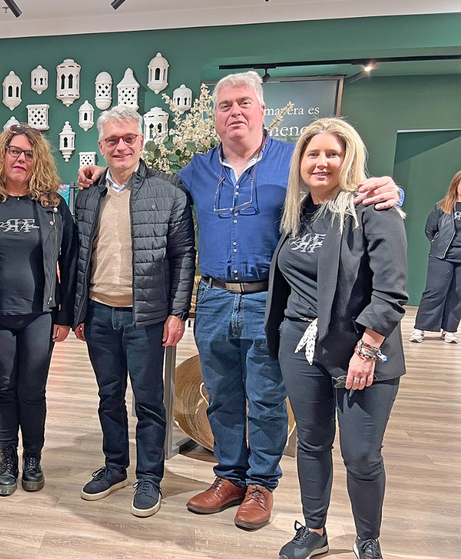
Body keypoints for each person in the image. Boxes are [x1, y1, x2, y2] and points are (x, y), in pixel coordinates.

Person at [81, 71, 402, 530]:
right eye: (225, 105)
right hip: (211, 299)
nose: (235, 112)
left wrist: (392, 191)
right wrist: (96, 175)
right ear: (214, 116)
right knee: (222, 396)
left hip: (269, 302)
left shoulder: (293, 162)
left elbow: (343, 188)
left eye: (244, 103)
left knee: (267, 398)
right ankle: (229, 476)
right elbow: (146, 188)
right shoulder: (196, 171)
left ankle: (261, 484)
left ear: (261, 110)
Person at [265, 118, 407, 559]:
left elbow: (391, 292)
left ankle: (368, 540)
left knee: (362, 454)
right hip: (299, 346)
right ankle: (315, 528)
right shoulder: (297, 214)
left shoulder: (372, 208)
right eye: (312, 153)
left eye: (332, 153)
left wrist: (367, 350)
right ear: (300, 164)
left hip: (358, 350)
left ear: (349, 160)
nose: (322, 162)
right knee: (310, 441)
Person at [73, 105, 196, 518]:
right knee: (108, 396)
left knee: (148, 400)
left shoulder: (170, 191)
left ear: (142, 141)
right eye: (112, 140)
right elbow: (77, 256)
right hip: (98, 314)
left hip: (146, 318)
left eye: (129, 138)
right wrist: (76, 312)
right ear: (101, 146)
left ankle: (149, 476)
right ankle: (114, 467)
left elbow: (184, 257)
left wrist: (178, 312)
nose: (121, 146)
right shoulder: (87, 194)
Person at [0, 124, 78, 496]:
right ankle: (7, 459)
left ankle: (32, 458)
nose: (21, 158)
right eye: (15, 151)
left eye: (29, 153)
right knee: (4, 388)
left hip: (40, 313)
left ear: (38, 160)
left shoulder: (52, 205)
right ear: (1, 155)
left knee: (32, 389)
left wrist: (65, 315)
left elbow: (72, 256)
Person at [409, 169, 461, 344]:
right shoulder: (442, 206)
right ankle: (419, 329)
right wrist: (438, 245)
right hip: (442, 257)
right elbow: (430, 230)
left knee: (457, 294)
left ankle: (449, 330)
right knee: (434, 291)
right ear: (456, 185)